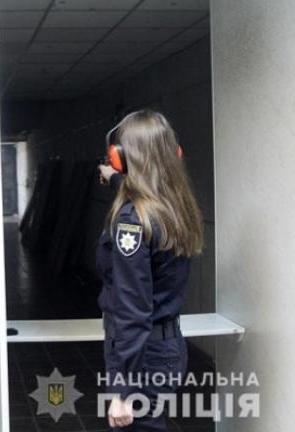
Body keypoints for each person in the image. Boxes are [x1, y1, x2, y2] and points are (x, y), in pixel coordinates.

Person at [96, 110, 203, 431]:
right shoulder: (176, 207)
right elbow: (142, 195)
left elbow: (133, 308)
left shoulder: (131, 221)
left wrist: (123, 390)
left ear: (121, 157)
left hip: (141, 358)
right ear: (174, 154)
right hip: (165, 349)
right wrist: (115, 180)